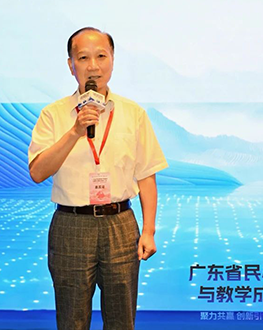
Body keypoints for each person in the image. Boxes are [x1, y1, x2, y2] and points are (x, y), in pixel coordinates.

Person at [28, 27, 168, 330]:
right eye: (83, 58)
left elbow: (147, 175)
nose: (93, 66)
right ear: (71, 65)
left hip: (120, 223)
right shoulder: (53, 114)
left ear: (113, 60)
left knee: (121, 319)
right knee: (72, 320)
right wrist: (75, 131)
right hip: (71, 225)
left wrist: (149, 231)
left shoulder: (133, 113)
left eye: (101, 56)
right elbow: (38, 172)